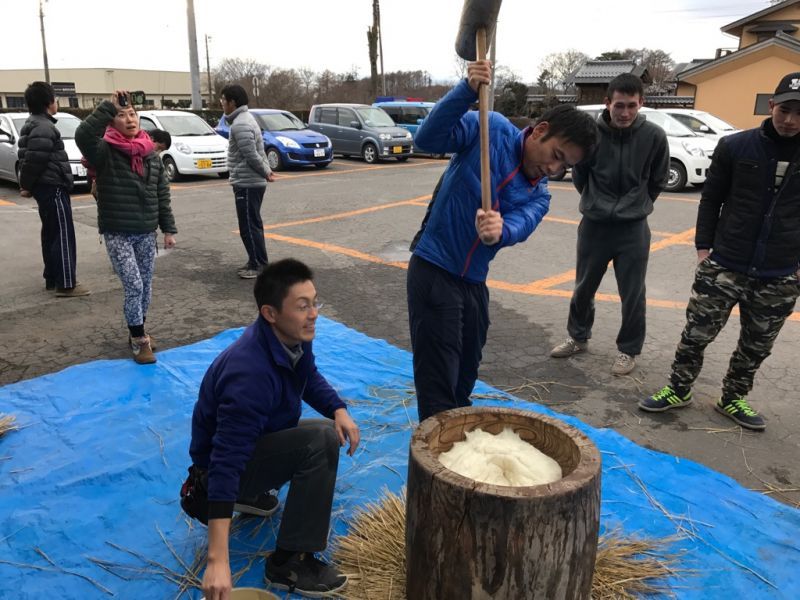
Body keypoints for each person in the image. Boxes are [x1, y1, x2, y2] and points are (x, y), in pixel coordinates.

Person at [407, 59, 598, 421]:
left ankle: (455, 444)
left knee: (466, 371)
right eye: (556, 156)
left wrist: (501, 230)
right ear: (540, 131)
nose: (554, 169)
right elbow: (426, 139)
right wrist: (465, 90)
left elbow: (520, 225)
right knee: (439, 377)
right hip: (435, 267)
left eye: (565, 167)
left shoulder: (539, 194)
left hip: (474, 282)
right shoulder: (490, 129)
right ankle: (434, 458)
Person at [180, 258, 359, 599]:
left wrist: (338, 408)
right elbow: (226, 460)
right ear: (270, 313)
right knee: (320, 440)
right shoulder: (249, 374)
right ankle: (288, 562)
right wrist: (218, 559)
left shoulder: (293, 338)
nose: (314, 314)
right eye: (302, 306)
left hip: (255, 446)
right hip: (216, 474)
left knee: (323, 426)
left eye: (315, 302)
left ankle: (249, 494)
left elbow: (308, 378)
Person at [640, 72, 800, 431]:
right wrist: (703, 249)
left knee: (756, 345)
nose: (790, 120)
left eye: (799, 113)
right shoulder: (735, 146)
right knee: (696, 334)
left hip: (780, 271)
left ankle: (732, 398)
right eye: (785, 109)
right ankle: (679, 389)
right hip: (726, 262)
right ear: (772, 106)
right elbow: (711, 199)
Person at [550, 73, 669, 375]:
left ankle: (628, 351)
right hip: (594, 225)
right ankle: (578, 337)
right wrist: (595, 203)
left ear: (642, 103)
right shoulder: (593, 135)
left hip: (633, 229)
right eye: (619, 105)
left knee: (632, 293)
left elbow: (657, 179)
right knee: (583, 287)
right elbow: (580, 175)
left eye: (631, 105)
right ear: (607, 102)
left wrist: (637, 205)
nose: (625, 113)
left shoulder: (654, 136)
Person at [75, 90, 177, 365]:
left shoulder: (152, 156)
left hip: (146, 231)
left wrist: (168, 229)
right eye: (122, 115)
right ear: (111, 122)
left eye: (132, 114)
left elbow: (162, 196)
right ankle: (139, 340)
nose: (129, 119)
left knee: (145, 286)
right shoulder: (104, 152)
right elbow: (83, 136)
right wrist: (108, 107)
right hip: (117, 231)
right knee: (133, 284)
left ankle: (138, 329)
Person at [17, 81, 90, 297]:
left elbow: (31, 160)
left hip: (45, 187)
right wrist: (26, 186)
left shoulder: (34, 123)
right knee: (62, 233)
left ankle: (52, 277)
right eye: (55, 99)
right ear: (50, 103)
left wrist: (29, 185)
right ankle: (67, 283)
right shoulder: (44, 127)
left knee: (50, 232)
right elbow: (35, 159)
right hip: (52, 186)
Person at [219, 84, 274, 279]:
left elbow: (251, 154)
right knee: (252, 224)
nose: (222, 104)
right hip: (248, 181)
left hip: (248, 182)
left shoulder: (241, 123)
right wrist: (266, 171)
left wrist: (266, 171)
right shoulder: (244, 119)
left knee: (249, 225)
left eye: (223, 100)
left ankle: (258, 264)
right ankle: (256, 260)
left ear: (232, 102)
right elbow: (255, 152)